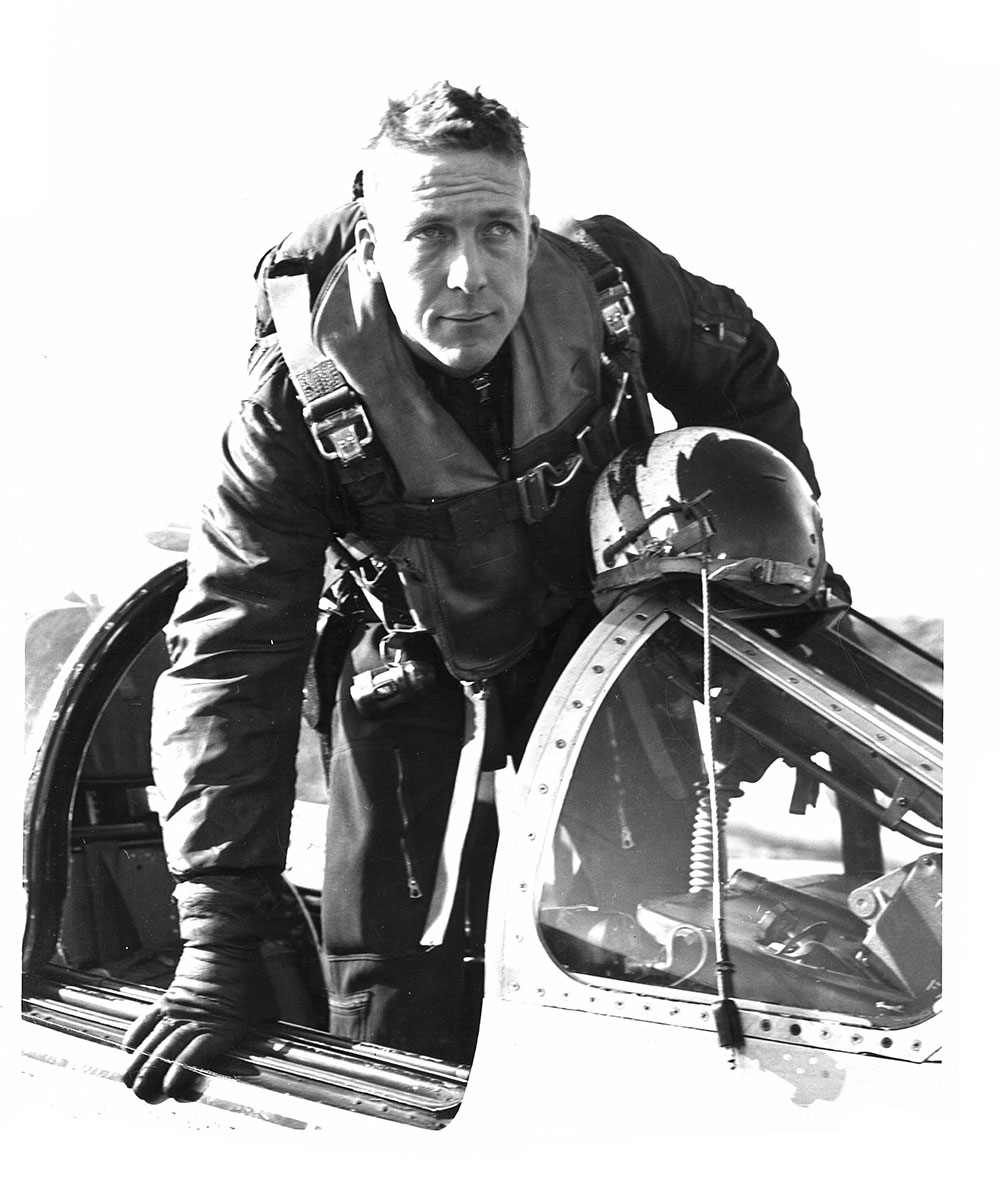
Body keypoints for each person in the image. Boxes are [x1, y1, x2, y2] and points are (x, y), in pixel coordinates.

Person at [121, 80, 828, 1102]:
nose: (469, 276)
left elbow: (743, 376)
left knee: (657, 962)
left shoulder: (606, 283)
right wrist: (218, 937)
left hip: (604, 653)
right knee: (389, 1013)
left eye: (498, 230)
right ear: (371, 237)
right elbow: (232, 659)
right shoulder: (293, 403)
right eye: (429, 235)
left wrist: (782, 614)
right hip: (408, 665)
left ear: (530, 225)